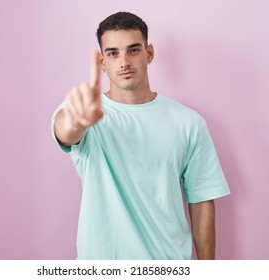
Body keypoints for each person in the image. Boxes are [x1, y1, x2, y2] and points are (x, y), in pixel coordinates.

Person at [51, 11, 230, 260]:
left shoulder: (189, 122)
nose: (124, 61)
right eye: (113, 53)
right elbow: (66, 132)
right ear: (103, 61)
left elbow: (201, 200)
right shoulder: (84, 113)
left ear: (150, 53)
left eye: (133, 50)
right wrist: (75, 119)